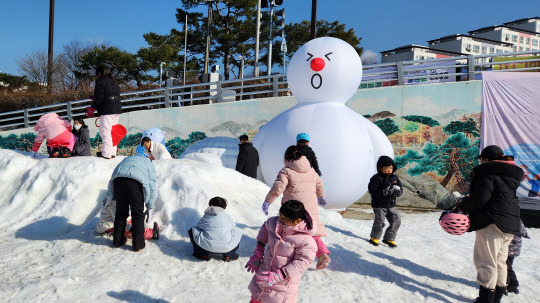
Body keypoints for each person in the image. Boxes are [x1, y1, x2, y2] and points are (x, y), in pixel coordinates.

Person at [459, 145, 524, 303]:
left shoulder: (487, 175)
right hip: (510, 224)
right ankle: (496, 298)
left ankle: (485, 299)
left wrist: (463, 204)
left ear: (487, 159)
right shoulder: (509, 177)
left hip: (491, 223)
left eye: (481, 159)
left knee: (486, 261)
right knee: (500, 261)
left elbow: (481, 199)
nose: (480, 162)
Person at [263, 145, 330, 270]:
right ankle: (323, 254)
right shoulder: (311, 170)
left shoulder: (286, 171)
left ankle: (288, 255)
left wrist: (268, 201)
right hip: (311, 208)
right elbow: (320, 184)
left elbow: (278, 188)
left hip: (293, 209)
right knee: (311, 231)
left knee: (290, 231)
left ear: (287, 158)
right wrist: (321, 197)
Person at [246, 200, 317, 303]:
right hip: (264, 276)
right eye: (280, 216)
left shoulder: (305, 240)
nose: (281, 220)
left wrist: (279, 275)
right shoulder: (273, 223)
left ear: (297, 221)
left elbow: (302, 262)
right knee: (257, 298)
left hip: (282, 285)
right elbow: (264, 230)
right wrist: (258, 253)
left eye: (285, 219)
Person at [106, 145, 157, 252]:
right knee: (137, 213)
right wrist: (149, 206)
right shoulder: (148, 163)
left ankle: (117, 241)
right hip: (134, 183)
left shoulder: (127, 158)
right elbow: (152, 184)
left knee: (120, 212)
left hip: (118, 181)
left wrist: (111, 194)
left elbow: (114, 173)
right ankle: (138, 244)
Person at [188, 196, 242, 262]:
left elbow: (199, 225)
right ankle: (229, 255)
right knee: (237, 231)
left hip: (206, 246)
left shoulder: (207, 215)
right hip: (226, 247)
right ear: (224, 207)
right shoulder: (226, 216)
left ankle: (202, 254)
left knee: (192, 230)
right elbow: (233, 226)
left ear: (211, 205)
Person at [87, 66, 122, 159]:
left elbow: (99, 98)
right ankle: (112, 152)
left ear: (99, 74)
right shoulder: (113, 82)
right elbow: (107, 95)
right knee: (112, 132)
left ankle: (106, 153)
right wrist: (95, 98)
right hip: (116, 109)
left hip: (107, 110)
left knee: (105, 131)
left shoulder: (101, 82)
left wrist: (92, 108)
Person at [368, 156, 403, 248]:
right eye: (387, 168)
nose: (389, 170)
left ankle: (389, 238)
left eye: (391, 168)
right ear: (380, 168)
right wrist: (384, 191)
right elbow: (372, 190)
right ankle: (374, 237)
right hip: (379, 205)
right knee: (380, 221)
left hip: (391, 205)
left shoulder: (395, 178)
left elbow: (400, 188)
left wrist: (398, 192)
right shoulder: (376, 178)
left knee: (396, 220)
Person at [95, 197, 159, 241]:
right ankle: (152, 234)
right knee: (132, 228)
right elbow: (119, 219)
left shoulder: (111, 197)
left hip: (110, 222)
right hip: (109, 226)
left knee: (132, 221)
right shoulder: (113, 202)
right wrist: (131, 228)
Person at [506, 220, 530, 295]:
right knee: (506, 266)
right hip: (513, 248)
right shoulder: (516, 218)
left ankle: (513, 284)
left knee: (506, 267)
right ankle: (508, 282)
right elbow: (523, 231)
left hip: (510, 248)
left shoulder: (513, 220)